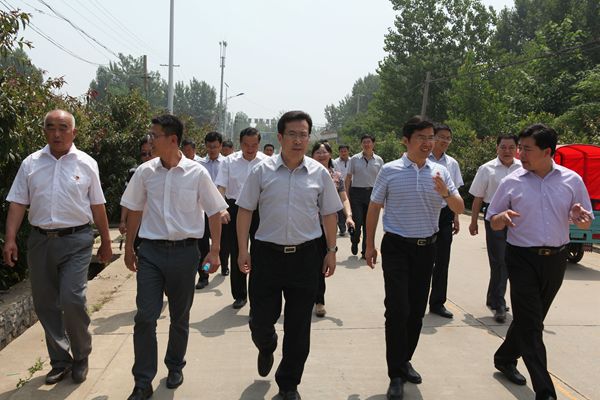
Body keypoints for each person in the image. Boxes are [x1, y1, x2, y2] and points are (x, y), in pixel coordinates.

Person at [120, 114, 227, 400]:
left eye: (154, 136)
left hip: (185, 253)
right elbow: (135, 210)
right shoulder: (145, 172)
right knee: (145, 316)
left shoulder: (197, 173)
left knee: (180, 316)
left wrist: (215, 250)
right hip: (151, 253)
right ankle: (142, 381)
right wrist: (129, 247)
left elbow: (214, 211)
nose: (150, 141)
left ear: (172, 139)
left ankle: (175, 365)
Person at [236, 111, 342, 400]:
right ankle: (266, 344)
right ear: (280, 137)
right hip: (267, 256)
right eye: (292, 134)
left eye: (303, 134)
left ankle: (288, 385)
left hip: (305, 257)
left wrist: (331, 251)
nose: (298, 140)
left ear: (308, 137)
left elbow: (329, 214)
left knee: (298, 326)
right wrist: (243, 249)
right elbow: (245, 210)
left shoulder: (319, 173)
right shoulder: (261, 171)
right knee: (260, 321)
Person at [3, 109, 112, 385]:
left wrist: (106, 242)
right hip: (40, 241)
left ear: (74, 132)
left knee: (72, 298)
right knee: (45, 304)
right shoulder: (31, 164)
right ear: (44, 131)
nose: (56, 133)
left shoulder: (86, 163)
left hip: (76, 240)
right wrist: (10, 239)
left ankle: (81, 355)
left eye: (63, 127)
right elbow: (18, 203)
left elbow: (98, 205)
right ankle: (60, 360)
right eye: (50, 127)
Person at [487, 124, 592, 400]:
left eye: (527, 149)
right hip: (521, 258)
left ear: (547, 151)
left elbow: (585, 218)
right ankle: (545, 391)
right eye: (519, 148)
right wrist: (501, 218)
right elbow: (493, 218)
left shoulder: (572, 180)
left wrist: (580, 217)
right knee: (532, 325)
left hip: (556, 259)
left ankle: (504, 357)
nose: (520, 154)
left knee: (530, 319)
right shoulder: (512, 181)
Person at [364, 116, 464, 400]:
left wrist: (446, 193)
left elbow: (459, 206)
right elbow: (374, 207)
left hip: (426, 248)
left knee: (417, 310)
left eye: (431, 137)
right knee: (397, 309)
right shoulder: (390, 170)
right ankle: (395, 374)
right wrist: (369, 245)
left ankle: (404, 359)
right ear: (406, 140)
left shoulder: (441, 172)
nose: (428, 142)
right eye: (421, 137)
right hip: (397, 247)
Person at [468, 134, 521, 323]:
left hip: (517, 217)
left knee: (510, 261)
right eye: (503, 147)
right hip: (494, 215)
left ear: (517, 149)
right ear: (497, 148)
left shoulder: (523, 168)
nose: (507, 151)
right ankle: (499, 305)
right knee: (499, 260)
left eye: (511, 147)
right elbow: (478, 197)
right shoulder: (487, 169)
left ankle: (493, 297)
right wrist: (473, 221)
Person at [215, 128, 267, 308]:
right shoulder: (229, 161)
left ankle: (257, 294)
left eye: (254, 145)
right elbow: (221, 186)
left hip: (260, 210)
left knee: (260, 252)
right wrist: (222, 208)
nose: (250, 149)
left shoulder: (267, 162)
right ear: (240, 143)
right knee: (237, 251)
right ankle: (239, 294)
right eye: (246, 145)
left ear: (259, 144)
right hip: (236, 208)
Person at [311, 141, 355, 318]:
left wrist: (349, 216)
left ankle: (319, 301)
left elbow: (344, 198)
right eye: (318, 152)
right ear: (312, 155)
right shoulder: (305, 174)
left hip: (326, 228)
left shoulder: (336, 176)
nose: (321, 155)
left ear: (330, 155)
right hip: (305, 227)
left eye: (324, 152)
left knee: (320, 265)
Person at [427, 124, 464, 319]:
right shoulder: (423, 159)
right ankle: (416, 298)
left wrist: (456, 216)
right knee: (423, 259)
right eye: (441, 137)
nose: (445, 141)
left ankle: (437, 302)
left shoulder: (452, 164)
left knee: (442, 260)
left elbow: (455, 193)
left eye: (448, 138)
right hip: (425, 212)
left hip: (445, 214)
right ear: (433, 138)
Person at [196, 131, 229, 288]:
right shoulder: (199, 165)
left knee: (223, 244)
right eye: (209, 147)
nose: (212, 150)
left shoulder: (227, 163)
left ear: (220, 146)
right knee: (203, 246)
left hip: (223, 209)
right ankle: (204, 275)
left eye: (215, 147)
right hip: (203, 211)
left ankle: (224, 265)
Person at [345, 135, 384, 258]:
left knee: (369, 224)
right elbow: (348, 177)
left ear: (373, 144)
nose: (366, 144)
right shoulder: (354, 159)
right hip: (356, 194)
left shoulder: (379, 160)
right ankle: (354, 240)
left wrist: (383, 196)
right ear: (361, 144)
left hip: (372, 194)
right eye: (364, 142)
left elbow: (382, 180)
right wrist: (346, 195)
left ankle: (365, 251)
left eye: (369, 142)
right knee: (357, 222)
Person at [119, 137, 154, 248]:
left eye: (150, 153)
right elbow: (127, 200)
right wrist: (123, 220)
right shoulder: (134, 173)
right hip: (138, 224)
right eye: (144, 154)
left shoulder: (167, 172)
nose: (147, 157)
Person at [334, 144, 351, 236]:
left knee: (350, 205)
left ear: (348, 151)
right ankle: (342, 227)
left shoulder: (352, 161)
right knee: (340, 207)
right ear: (339, 152)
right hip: (339, 187)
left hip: (351, 186)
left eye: (345, 151)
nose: (343, 153)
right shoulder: (335, 162)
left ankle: (351, 224)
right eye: (341, 151)